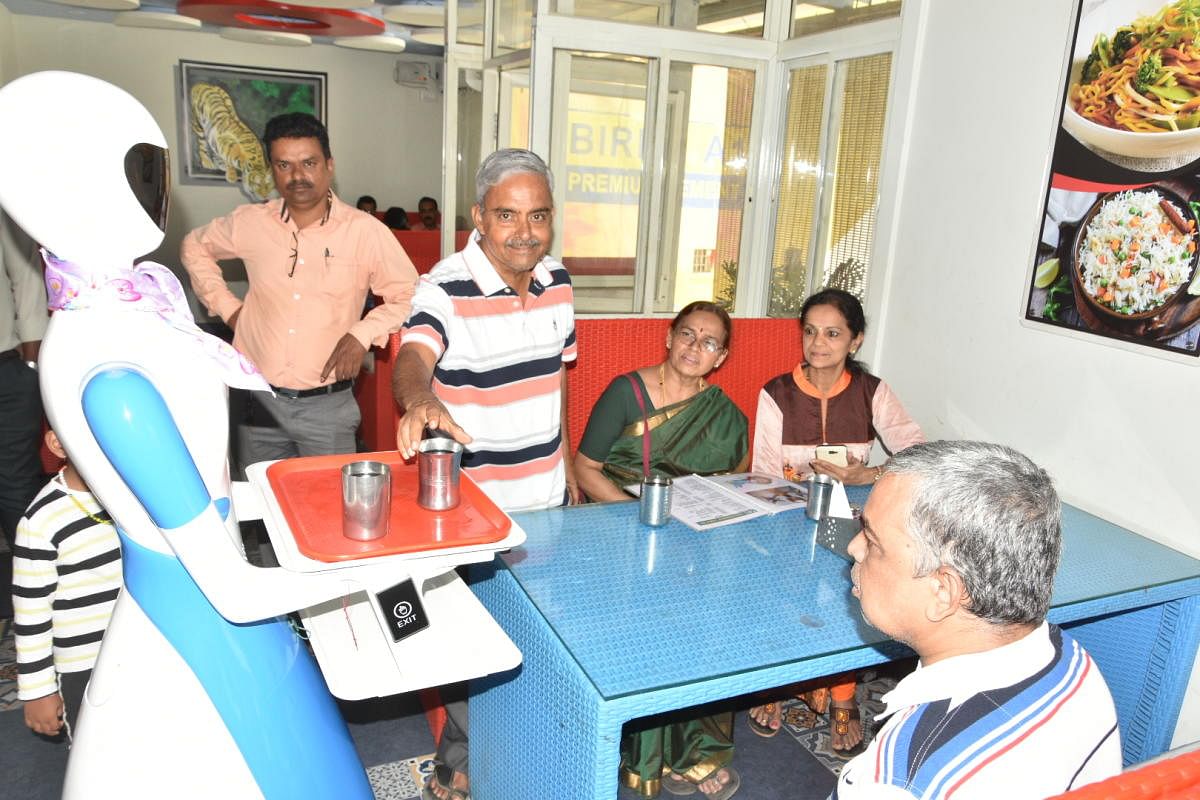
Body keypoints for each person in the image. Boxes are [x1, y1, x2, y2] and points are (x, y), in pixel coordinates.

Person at [392, 148, 577, 800]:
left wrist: (570, 459)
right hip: (479, 511)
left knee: (543, 635)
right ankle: (459, 757)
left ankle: (528, 745)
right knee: (478, 643)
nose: (524, 231)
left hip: (547, 499)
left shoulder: (557, 281)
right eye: (507, 215)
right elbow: (413, 356)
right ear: (478, 216)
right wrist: (420, 399)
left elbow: (559, 375)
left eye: (538, 215)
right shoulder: (445, 286)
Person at [835, 440, 1122, 798]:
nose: (854, 547)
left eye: (873, 541)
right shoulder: (1070, 658)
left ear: (942, 592)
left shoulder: (903, 779)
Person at [574, 301, 745, 799]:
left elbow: (731, 489)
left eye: (709, 341)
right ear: (669, 338)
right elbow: (586, 468)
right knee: (645, 619)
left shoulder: (725, 416)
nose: (695, 347)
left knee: (719, 605)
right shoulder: (625, 393)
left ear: (721, 356)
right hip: (620, 529)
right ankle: (642, 750)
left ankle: (695, 750)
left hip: (693, 541)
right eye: (687, 335)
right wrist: (644, 520)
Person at [182, 112, 418, 472]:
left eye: (308, 163)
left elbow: (410, 294)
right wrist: (229, 309)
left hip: (327, 410)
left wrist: (362, 334)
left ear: (329, 166)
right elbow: (193, 246)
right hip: (257, 404)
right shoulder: (250, 223)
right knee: (262, 510)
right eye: (284, 165)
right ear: (272, 169)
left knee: (326, 512)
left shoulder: (364, 232)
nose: (297, 176)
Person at [748, 288, 923, 757]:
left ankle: (842, 692)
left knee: (847, 584)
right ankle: (779, 682)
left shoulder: (872, 392)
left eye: (832, 333)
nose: (818, 343)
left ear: (855, 340)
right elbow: (762, 474)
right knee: (784, 584)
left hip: (854, 518)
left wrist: (866, 474)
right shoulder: (777, 393)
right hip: (788, 518)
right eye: (809, 332)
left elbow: (919, 457)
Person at [14, 429, 121, 740]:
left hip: (139, 646)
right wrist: (37, 690)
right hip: (83, 664)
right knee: (94, 746)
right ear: (58, 444)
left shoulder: (135, 496)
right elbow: (31, 611)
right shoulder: (42, 521)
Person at [0, 216, 48, 619]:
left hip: (7, 364)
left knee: (16, 481)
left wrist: (32, 362)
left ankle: (35, 598)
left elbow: (25, 271)